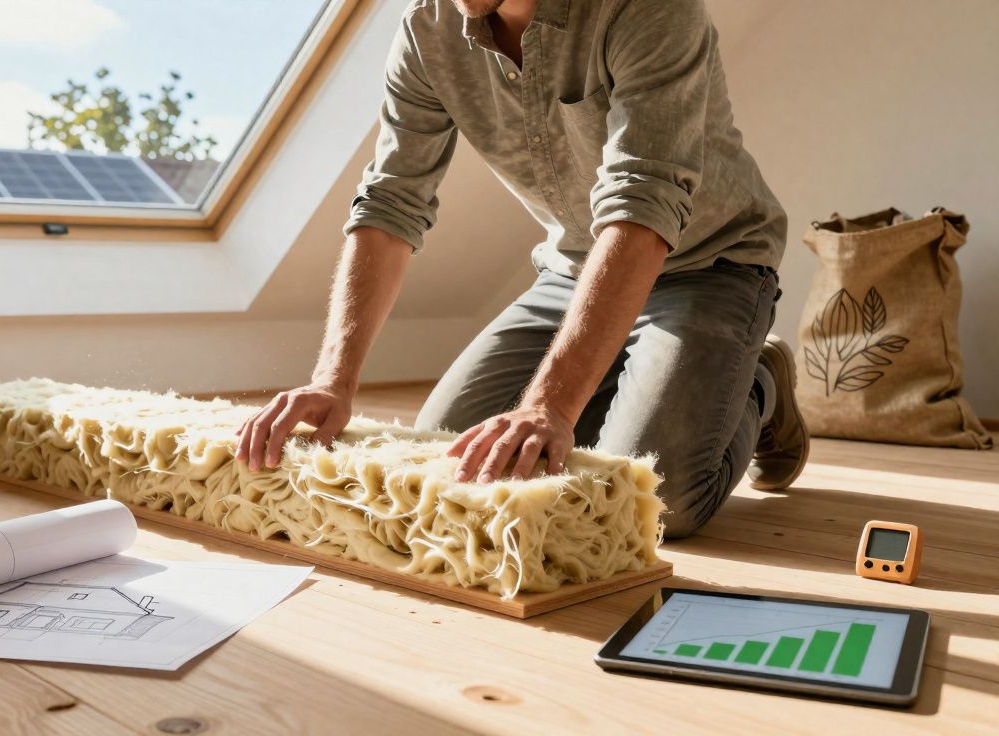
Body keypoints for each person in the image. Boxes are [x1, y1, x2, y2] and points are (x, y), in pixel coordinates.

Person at [234, 0, 809, 537]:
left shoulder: (646, 7)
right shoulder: (426, 29)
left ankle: (757, 381)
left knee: (656, 500)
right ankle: (645, 381)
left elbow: (642, 204)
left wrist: (550, 406)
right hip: (572, 272)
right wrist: (334, 379)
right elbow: (389, 203)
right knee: (448, 453)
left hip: (711, 263)